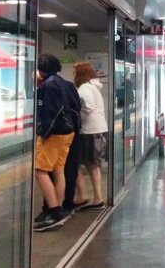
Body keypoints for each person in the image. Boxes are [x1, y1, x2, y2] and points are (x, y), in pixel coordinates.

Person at [33, 53, 81, 232]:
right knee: (58, 169)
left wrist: (43, 133)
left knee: (40, 170)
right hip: (67, 133)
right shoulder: (63, 83)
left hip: (54, 134)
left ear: (41, 69)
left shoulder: (49, 85)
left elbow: (51, 112)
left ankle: (54, 210)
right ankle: (58, 208)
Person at [73, 62, 108, 211]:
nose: (73, 75)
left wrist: (77, 116)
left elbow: (87, 107)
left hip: (89, 130)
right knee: (93, 166)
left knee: (79, 164)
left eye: (75, 72)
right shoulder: (94, 88)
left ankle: (88, 196)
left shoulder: (84, 88)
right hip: (98, 128)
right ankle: (96, 197)